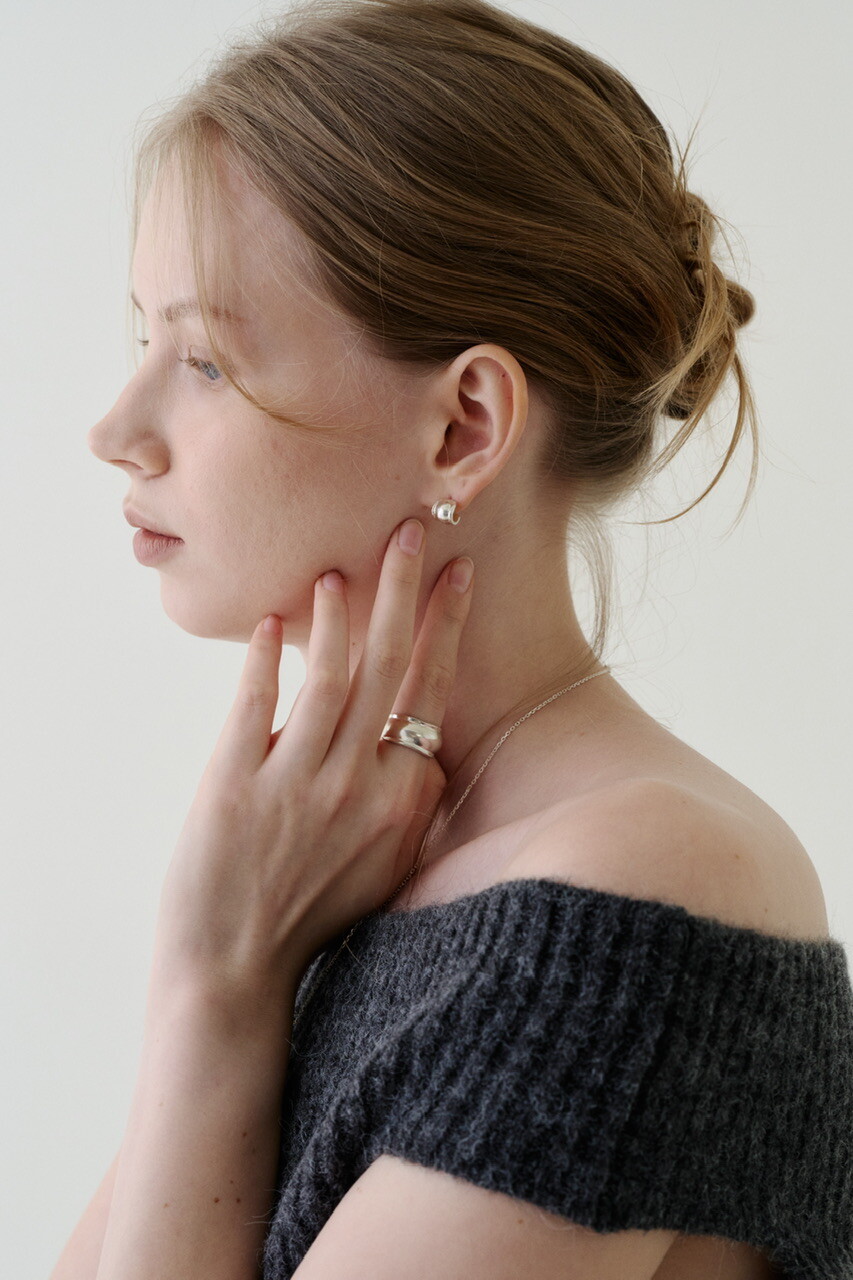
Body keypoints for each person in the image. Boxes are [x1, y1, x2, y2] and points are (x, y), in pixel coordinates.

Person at [53, 2, 852, 1279]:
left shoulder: (640, 889)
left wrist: (213, 981)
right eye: (144, 339)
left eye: (202, 361)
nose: (115, 429)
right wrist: (233, 967)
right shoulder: (331, 861)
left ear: (465, 426)